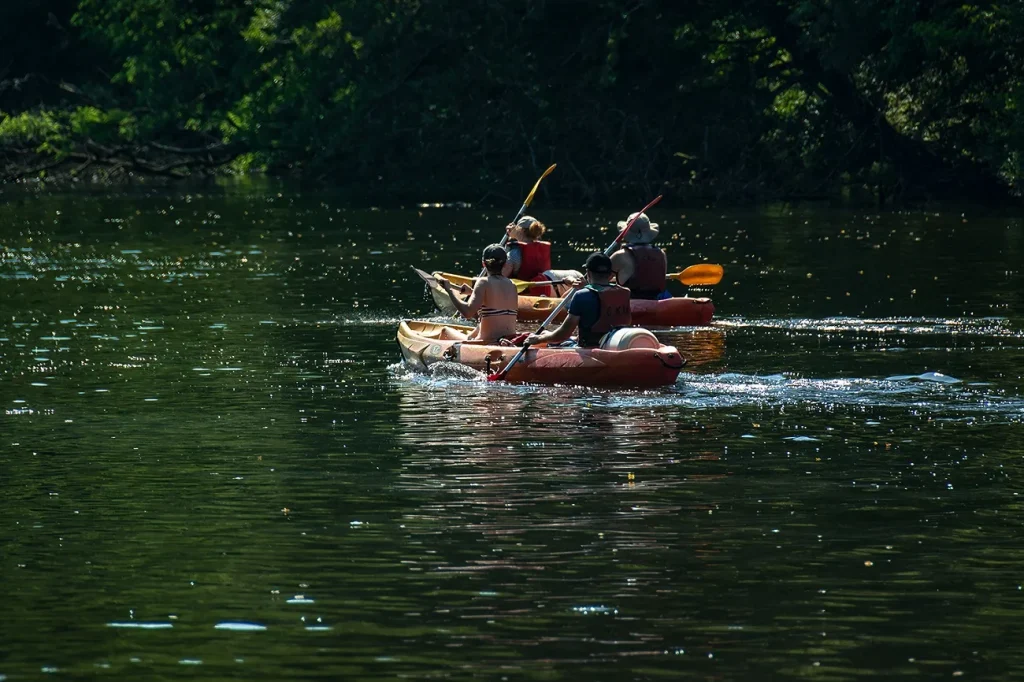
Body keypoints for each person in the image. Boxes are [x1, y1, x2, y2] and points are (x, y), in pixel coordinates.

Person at [523, 252, 631, 348]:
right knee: (560, 336)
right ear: (610, 274)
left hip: (589, 348)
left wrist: (540, 339)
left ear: (588, 273)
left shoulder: (582, 295)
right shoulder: (625, 292)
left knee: (545, 336)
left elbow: (563, 334)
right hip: (616, 343)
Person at [437, 245, 519, 343]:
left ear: (483, 264)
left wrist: (449, 290)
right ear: (505, 264)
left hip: (486, 342)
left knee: (445, 331)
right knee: (479, 327)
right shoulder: (512, 285)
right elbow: (495, 301)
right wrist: (473, 292)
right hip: (508, 340)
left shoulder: (483, 282)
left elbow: (467, 312)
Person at [609, 211, 669, 300]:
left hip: (630, 304)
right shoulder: (661, 254)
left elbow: (601, 281)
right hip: (656, 302)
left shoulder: (619, 256)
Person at [503, 215, 554, 296]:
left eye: (516, 228)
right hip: (543, 291)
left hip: (522, 294)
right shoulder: (542, 249)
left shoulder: (514, 253)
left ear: (522, 230)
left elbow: (501, 276)